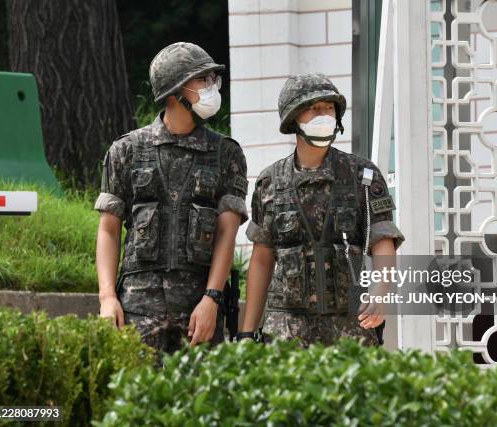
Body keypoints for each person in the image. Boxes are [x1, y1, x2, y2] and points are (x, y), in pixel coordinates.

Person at [95, 42, 248, 364]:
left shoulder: (226, 154)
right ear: (175, 91)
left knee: (201, 408)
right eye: (202, 80)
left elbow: (226, 234)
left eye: (212, 80)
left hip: (199, 313)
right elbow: (108, 229)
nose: (212, 88)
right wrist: (107, 298)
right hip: (136, 312)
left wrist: (212, 298)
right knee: (134, 406)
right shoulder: (127, 150)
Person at [238, 73, 405, 346]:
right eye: (314, 108)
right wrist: (246, 333)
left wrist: (380, 292)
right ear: (293, 118)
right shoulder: (270, 182)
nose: (323, 114)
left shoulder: (362, 175)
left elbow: (383, 241)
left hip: (349, 327)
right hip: (286, 332)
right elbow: (261, 259)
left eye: (329, 107)